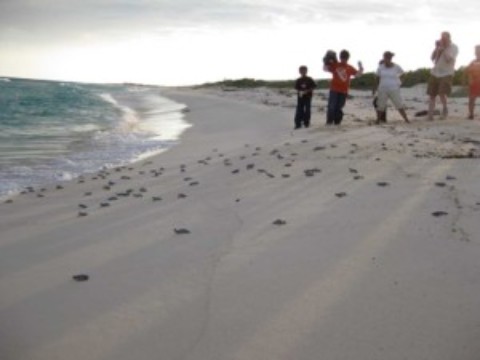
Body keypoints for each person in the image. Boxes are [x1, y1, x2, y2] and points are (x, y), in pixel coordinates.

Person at [324, 49, 363, 125]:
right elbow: (325, 69)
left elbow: (358, 75)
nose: (343, 59)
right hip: (334, 89)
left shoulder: (349, 67)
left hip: (344, 90)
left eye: (345, 57)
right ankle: (329, 121)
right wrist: (326, 61)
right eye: (342, 57)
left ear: (348, 58)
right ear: (340, 57)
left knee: (339, 107)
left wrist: (361, 67)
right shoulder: (335, 64)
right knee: (331, 106)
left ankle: (337, 122)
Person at [427, 31, 459, 120]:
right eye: (442, 38)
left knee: (442, 93)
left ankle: (445, 109)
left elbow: (449, 59)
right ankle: (430, 114)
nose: (443, 40)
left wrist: (444, 49)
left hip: (447, 73)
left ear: (449, 38)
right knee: (432, 94)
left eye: (444, 38)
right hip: (435, 72)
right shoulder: (439, 47)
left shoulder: (454, 47)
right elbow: (432, 58)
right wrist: (436, 48)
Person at [372, 51, 410, 124]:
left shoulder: (396, 66)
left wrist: (400, 83)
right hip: (382, 89)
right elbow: (377, 78)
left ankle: (406, 119)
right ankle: (378, 120)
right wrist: (374, 88)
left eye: (387, 58)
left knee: (398, 104)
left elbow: (403, 74)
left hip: (394, 88)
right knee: (381, 105)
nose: (385, 60)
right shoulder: (381, 67)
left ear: (390, 58)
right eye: (385, 58)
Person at [466, 45, 480, 119]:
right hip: (474, 83)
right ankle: (471, 114)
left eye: (478, 50)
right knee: (471, 99)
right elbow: (468, 71)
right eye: (476, 51)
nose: (477, 52)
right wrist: (469, 80)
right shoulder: (473, 62)